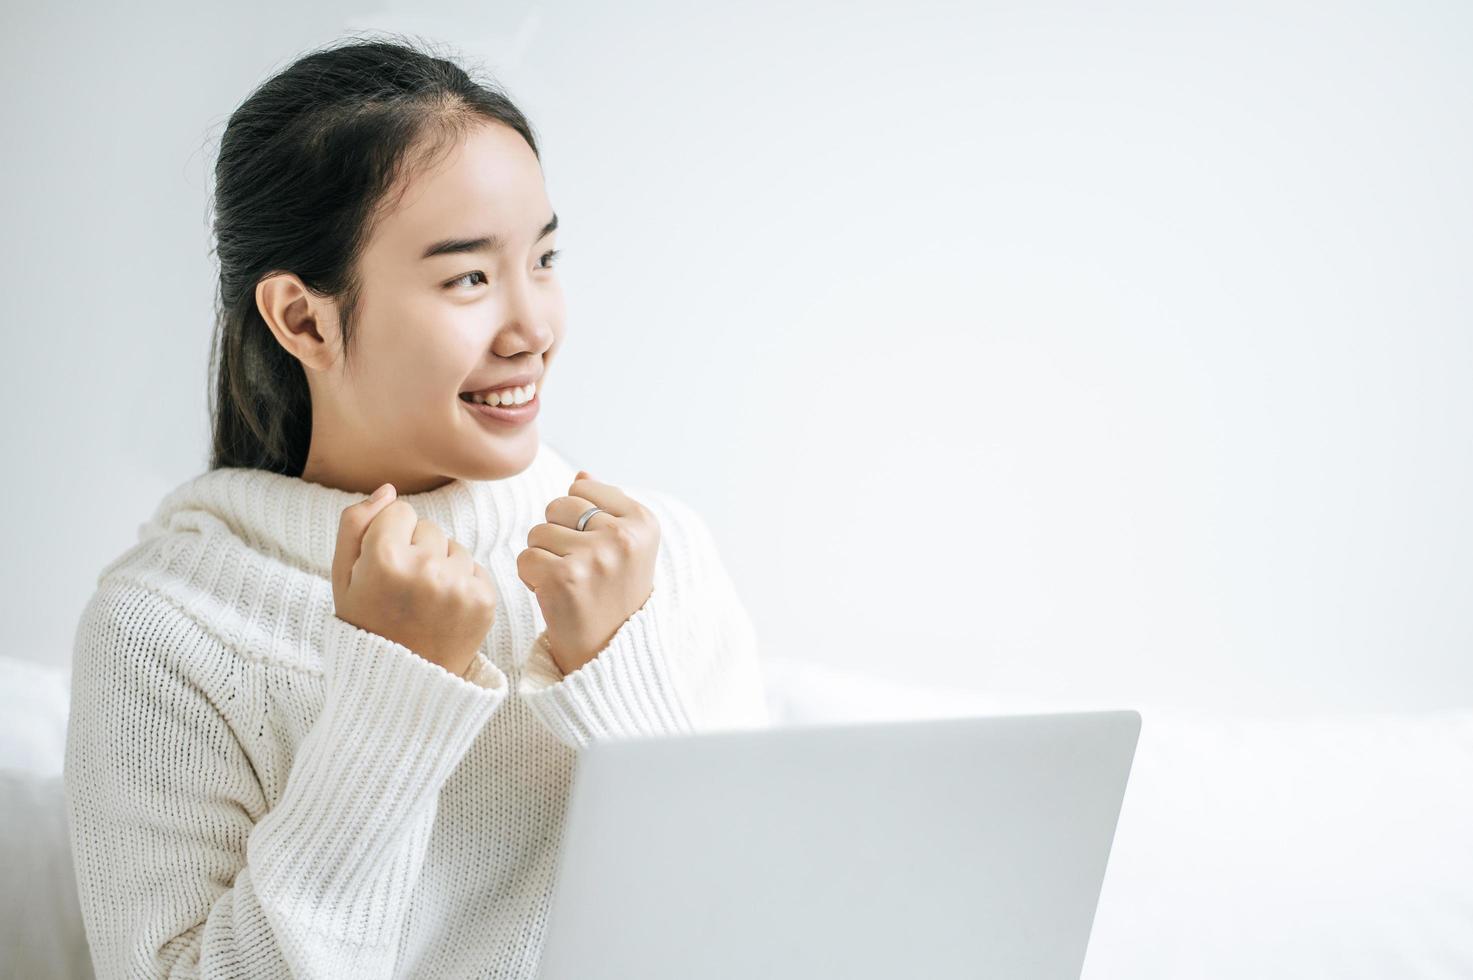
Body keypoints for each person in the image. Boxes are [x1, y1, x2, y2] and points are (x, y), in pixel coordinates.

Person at [63, 34, 769, 979]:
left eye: (545, 258)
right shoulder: (165, 630)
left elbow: (753, 934)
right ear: (303, 319)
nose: (534, 328)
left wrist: (620, 671)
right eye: (469, 277)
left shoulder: (652, 560)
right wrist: (392, 692)